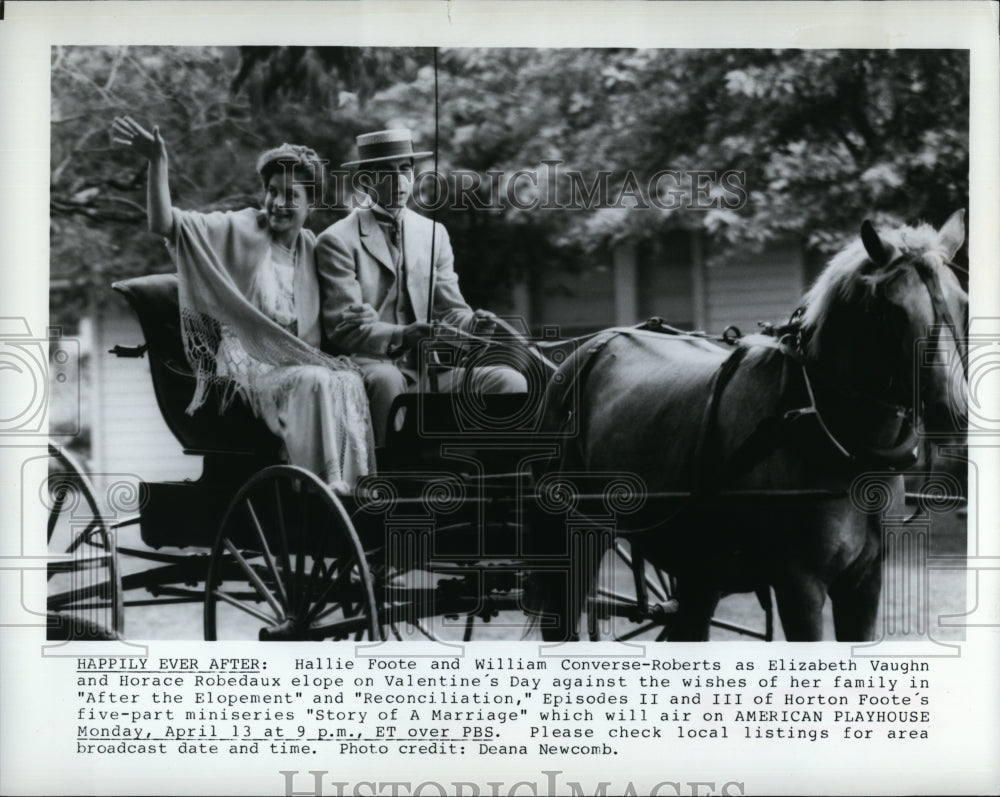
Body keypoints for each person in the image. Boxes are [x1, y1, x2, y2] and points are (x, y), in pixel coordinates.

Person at [111, 116, 376, 493]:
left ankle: (348, 488)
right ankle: (316, 487)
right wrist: (158, 161)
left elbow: (340, 311)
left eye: (291, 195)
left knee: (348, 379)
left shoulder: (312, 248)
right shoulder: (241, 227)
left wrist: (362, 314)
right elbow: (164, 224)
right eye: (272, 190)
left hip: (297, 363)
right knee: (315, 379)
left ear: (310, 205)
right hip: (248, 366)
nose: (278, 203)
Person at [316, 128, 527, 444]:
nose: (399, 181)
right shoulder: (336, 240)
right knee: (388, 380)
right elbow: (343, 329)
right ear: (365, 180)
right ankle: (387, 479)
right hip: (369, 369)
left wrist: (474, 324)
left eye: (405, 169)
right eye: (387, 172)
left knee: (509, 382)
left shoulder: (433, 234)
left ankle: (492, 479)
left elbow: (453, 312)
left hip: (430, 374)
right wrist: (403, 334)